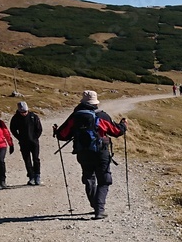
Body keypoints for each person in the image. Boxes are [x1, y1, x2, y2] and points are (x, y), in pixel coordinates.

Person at [53, 90, 128, 219]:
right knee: (104, 180)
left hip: (83, 153)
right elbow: (116, 132)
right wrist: (123, 125)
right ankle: (99, 209)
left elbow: (62, 135)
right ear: (95, 103)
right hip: (101, 153)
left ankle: (95, 205)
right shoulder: (102, 116)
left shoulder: (75, 116)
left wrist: (56, 130)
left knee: (89, 178)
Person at [9, 101, 43, 185]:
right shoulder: (15, 118)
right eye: (22, 112)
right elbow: (13, 129)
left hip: (34, 142)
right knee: (27, 160)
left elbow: (39, 129)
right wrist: (19, 138)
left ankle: (37, 175)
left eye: (25, 112)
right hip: (23, 143)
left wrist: (35, 137)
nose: (24, 113)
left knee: (36, 159)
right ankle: (31, 177)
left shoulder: (33, 116)